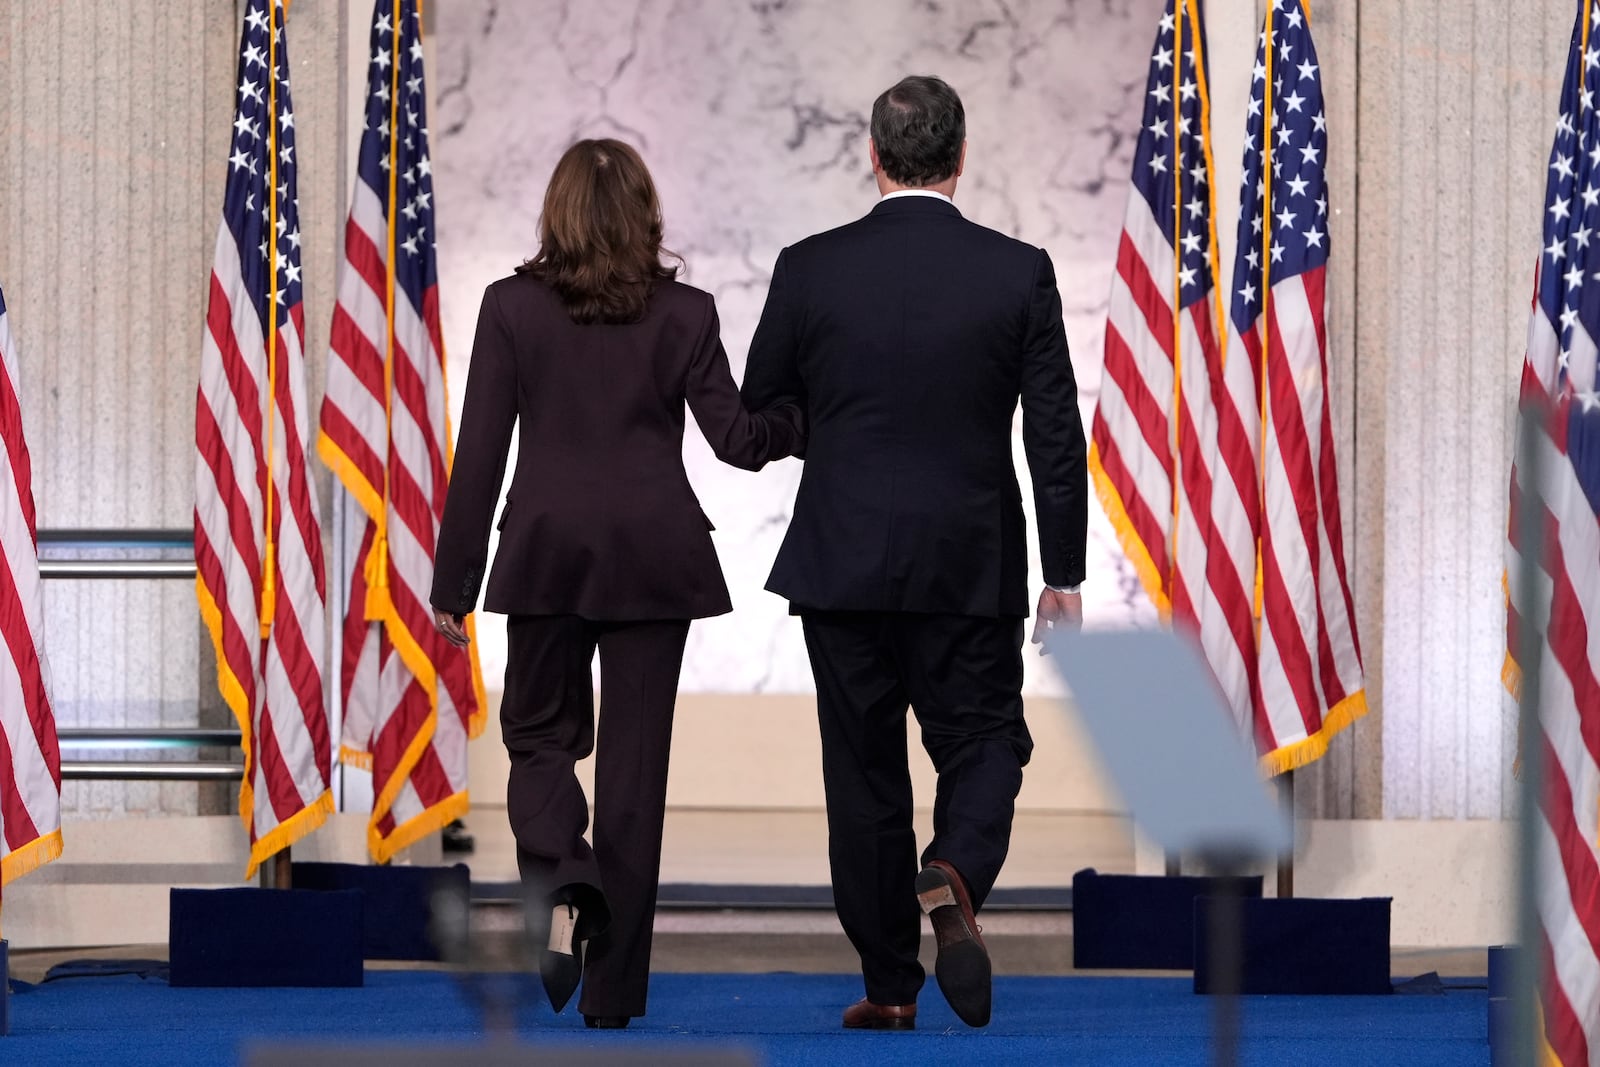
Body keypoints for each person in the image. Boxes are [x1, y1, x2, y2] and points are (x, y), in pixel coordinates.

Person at [430, 138, 804, 1029]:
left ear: (554, 211)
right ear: (646, 216)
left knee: (537, 739)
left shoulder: (510, 307)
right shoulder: (686, 312)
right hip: (655, 555)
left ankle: (563, 872)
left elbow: (480, 453)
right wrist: (816, 415)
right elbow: (741, 441)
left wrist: (457, 580)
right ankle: (613, 998)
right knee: (638, 777)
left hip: (546, 552)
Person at [741, 75, 1088, 1030]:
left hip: (841, 559)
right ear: (960, 157)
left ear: (874, 154)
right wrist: (1065, 571)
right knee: (983, 742)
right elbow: (1054, 435)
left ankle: (890, 984)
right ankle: (956, 872)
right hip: (967, 561)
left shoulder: (808, 267)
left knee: (861, 773)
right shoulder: (1019, 270)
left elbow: (768, 399)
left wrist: (843, 439)